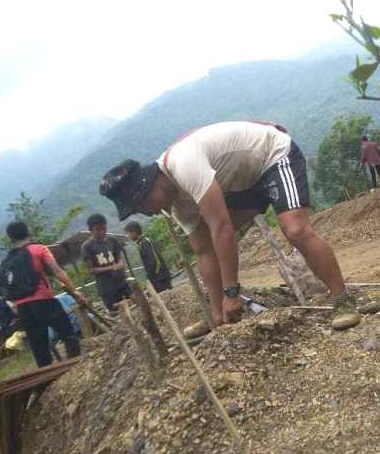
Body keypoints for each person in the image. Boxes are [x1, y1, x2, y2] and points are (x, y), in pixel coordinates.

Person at [98, 120, 361, 335]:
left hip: (273, 156)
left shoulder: (184, 164)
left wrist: (231, 292)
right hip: (241, 180)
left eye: (141, 205)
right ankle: (219, 316)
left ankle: (342, 298)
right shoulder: (175, 205)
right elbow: (203, 251)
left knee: (295, 230)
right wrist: (218, 311)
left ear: (149, 186)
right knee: (207, 243)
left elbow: (222, 227)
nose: (146, 213)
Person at [0, 221, 84, 368]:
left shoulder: (8, 260)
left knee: (39, 346)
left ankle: (47, 376)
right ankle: (75, 367)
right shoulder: (38, 249)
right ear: (28, 232)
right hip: (43, 300)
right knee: (68, 332)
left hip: (23, 307)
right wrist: (75, 292)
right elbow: (57, 272)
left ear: (11, 239)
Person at [81, 214, 132, 312]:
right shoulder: (87, 247)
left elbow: (119, 257)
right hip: (107, 288)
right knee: (117, 312)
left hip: (121, 280)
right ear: (90, 230)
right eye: (98, 229)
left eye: (104, 228)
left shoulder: (111, 240)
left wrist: (120, 263)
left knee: (135, 301)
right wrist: (111, 267)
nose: (102, 232)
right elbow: (91, 270)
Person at [124, 221, 173, 293]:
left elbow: (152, 261)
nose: (128, 236)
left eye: (128, 233)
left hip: (159, 277)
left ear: (134, 232)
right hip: (158, 276)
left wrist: (149, 276)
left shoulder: (144, 243)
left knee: (167, 295)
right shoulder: (142, 242)